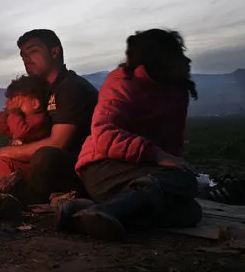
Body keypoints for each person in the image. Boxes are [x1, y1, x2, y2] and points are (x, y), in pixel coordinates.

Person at [56, 29, 202, 240]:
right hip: (104, 168)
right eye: (177, 53)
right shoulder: (123, 82)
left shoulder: (177, 92)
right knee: (185, 181)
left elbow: (172, 147)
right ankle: (108, 210)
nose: (186, 59)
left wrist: (172, 162)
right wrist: (159, 157)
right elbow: (105, 133)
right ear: (159, 58)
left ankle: (87, 211)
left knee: (191, 212)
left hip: (143, 173)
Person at [0, 29, 98, 203]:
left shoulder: (70, 88)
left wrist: (1, 152)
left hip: (83, 169)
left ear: (54, 52)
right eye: (23, 56)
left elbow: (57, 144)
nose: (26, 59)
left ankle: (26, 201)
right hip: (58, 166)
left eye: (33, 51)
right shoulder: (45, 90)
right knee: (10, 161)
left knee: (44, 156)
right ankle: (6, 192)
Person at [0, 75, 50, 178]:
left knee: (1, 163)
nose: (16, 108)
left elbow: (20, 132)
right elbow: (3, 130)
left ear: (35, 103)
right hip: (20, 161)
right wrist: (6, 113)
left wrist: (13, 113)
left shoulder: (38, 119)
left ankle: (8, 188)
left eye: (19, 104)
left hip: (30, 165)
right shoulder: (20, 118)